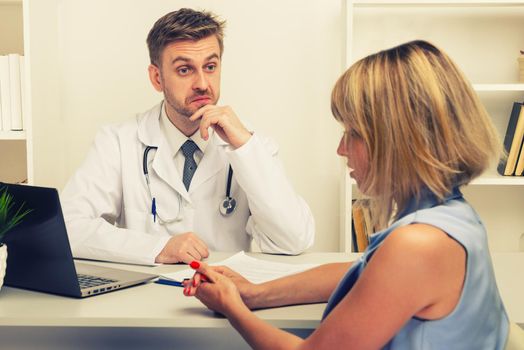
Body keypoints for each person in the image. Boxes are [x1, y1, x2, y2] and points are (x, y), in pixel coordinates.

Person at [184, 40, 510, 349]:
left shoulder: (416, 245)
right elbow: (365, 269)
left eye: (353, 133)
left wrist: (233, 308)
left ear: (399, 140)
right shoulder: (451, 214)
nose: (341, 149)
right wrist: (255, 294)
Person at [60, 8, 314, 265]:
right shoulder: (118, 141)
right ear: (157, 78)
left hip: (224, 297)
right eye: (185, 70)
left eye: (211, 67)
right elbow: (68, 226)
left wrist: (245, 148)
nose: (202, 83)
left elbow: (293, 240)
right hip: (143, 299)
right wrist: (158, 248)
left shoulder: (252, 146)